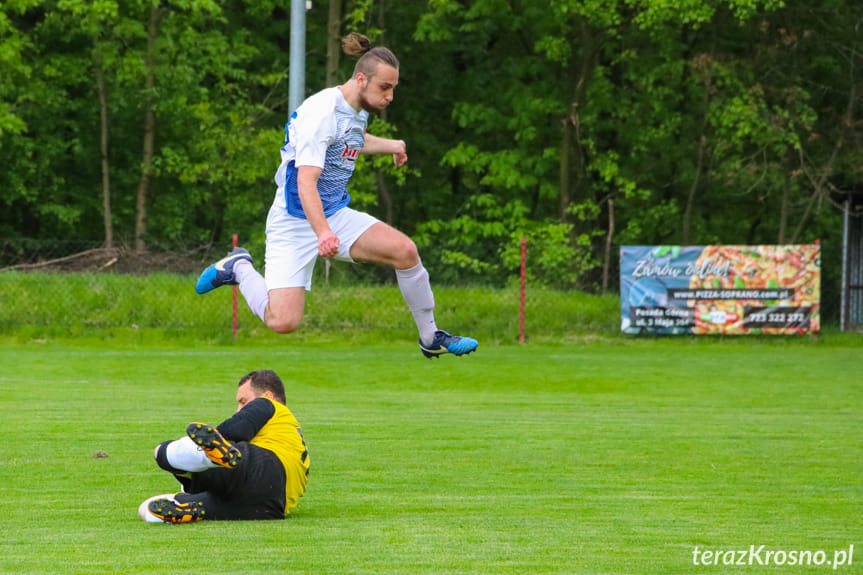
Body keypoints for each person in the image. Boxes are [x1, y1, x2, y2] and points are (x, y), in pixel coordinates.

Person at [194, 32, 477, 359]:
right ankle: (239, 267)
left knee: (405, 251)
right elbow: (305, 182)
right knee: (282, 321)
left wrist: (393, 146)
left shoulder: (355, 108)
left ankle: (430, 336)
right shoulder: (322, 113)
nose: (390, 97)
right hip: (294, 219)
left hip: (333, 213)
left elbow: (353, 139)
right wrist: (323, 232)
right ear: (361, 79)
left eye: (393, 88)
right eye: (385, 88)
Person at [138, 369, 309, 523]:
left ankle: (204, 459)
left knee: (161, 451)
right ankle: (196, 486)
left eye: (243, 401)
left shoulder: (270, 405)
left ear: (268, 396)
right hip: (269, 508)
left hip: (261, 465)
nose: (238, 410)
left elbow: (233, 431)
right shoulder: (293, 439)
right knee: (147, 508)